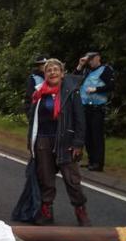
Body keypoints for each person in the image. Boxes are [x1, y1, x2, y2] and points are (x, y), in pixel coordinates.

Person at [25, 59, 91, 226]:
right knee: (45, 178)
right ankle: (46, 211)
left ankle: (80, 210)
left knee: (72, 179)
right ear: (45, 75)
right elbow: (33, 119)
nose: (52, 72)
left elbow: (80, 120)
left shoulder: (71, 92)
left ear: (62, 74)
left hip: (65, 141)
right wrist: (31, 143)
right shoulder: (39, 94)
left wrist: (78, 143)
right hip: (42, 141)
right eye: (49, 70)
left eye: (56, 70)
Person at [75, 51, 114, 172]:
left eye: (92, 59)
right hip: (85, 107)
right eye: (88, 59)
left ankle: (98, 163)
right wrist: (80, 65)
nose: (90, 62)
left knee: (96, 136)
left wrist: (96, 89)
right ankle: (91, 160)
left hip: (97, 107)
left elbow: (111, 86)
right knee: (87, 136)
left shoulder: (105, 70)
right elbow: (73, 80)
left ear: (98, 58)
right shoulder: (87, 71)